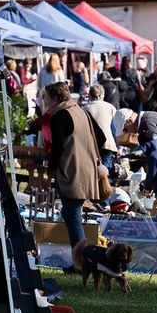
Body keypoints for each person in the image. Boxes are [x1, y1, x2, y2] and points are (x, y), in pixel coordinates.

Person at [44, 81, 106, 247]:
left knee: (72, 214)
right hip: (86, 169)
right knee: (71, 212)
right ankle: (79, 258)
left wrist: (50, 170)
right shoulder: (81, 111)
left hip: (71, 171)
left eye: (47, 98)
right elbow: (101, 138)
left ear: (55, 98)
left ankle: (81, 259)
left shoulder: (59, 115)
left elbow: (57, 148)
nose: (45, 102)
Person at [83, 84, 119, 170]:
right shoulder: (110, 108)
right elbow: (114, 129)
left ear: (90, 95)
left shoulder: (84, 109)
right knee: (105, 172)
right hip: (108, 143)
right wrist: (117, 146)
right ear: (103, 95)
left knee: (93, 171)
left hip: (92, 144)